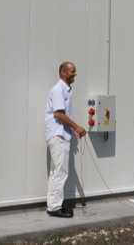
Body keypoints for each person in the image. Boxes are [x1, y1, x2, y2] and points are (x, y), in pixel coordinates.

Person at [45, 61, 87, 217]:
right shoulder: (58, 89)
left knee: (56, 172)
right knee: (61, 172)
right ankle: (55, 207)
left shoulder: (66, 90)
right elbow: (59, 114)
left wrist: (72, 130)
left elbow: (63, 115)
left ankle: (53, 205)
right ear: (63, 72)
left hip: (61, 134)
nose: (75, 74)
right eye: (72, 71)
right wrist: (76, 127)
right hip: (58, 135)